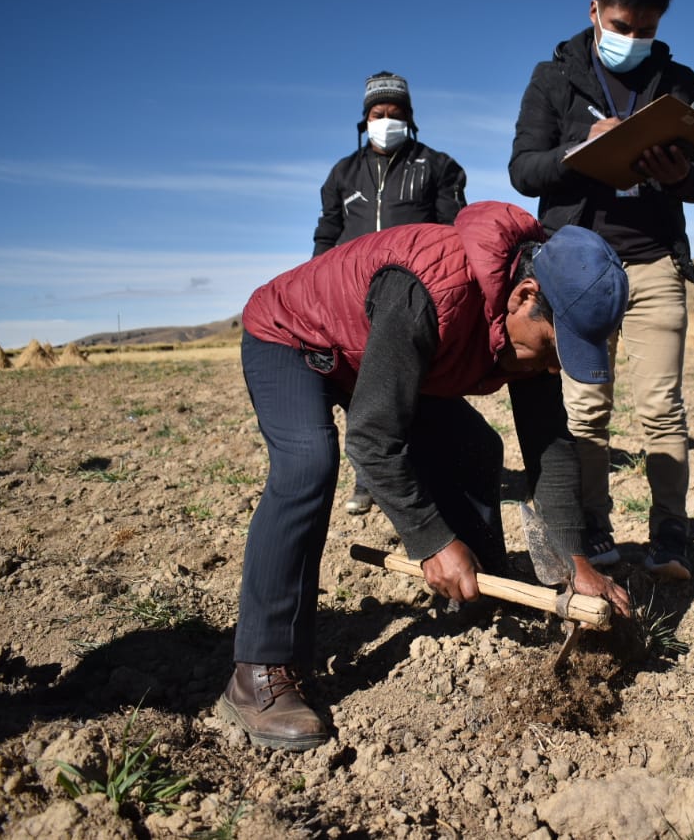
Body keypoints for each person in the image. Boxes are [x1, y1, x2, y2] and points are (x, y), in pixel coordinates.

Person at [221, 200, 633, 751]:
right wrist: (432, 541)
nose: (553, 367)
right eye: (555, 350)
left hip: (372, 353)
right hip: (294, 339)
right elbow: (372, 438)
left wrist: (574, 560)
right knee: (307, 467)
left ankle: (476, 591)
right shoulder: (431, 289)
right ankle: (257, 674)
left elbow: (549, 444)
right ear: (525, 297)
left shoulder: (540, 310)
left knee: (472, 446)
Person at [509, 0, 694, 581]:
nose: (633, 38)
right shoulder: (552, 78)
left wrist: (679, 174)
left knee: (662, 408)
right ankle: (591, 527)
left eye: (647, 28)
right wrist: (581, 150)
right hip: (578, 268)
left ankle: (671, 537)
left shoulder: (678, 80)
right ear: (595, 11)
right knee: (584, 408)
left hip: (654, 262)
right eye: (623, 24)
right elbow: (524, 168)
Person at [313, 71, 469, 516]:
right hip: (352, 296)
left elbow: (452, 230)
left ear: (410, 118)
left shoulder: (438, 166)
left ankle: (428, 471)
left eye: (396, 114)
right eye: (379, 114)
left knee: (418, 384)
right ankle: (369, 476)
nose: (387, 121)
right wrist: (319, 280)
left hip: (413, 295)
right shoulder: (342, 174)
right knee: (365, 384)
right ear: (365, 120)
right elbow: (327, 233)